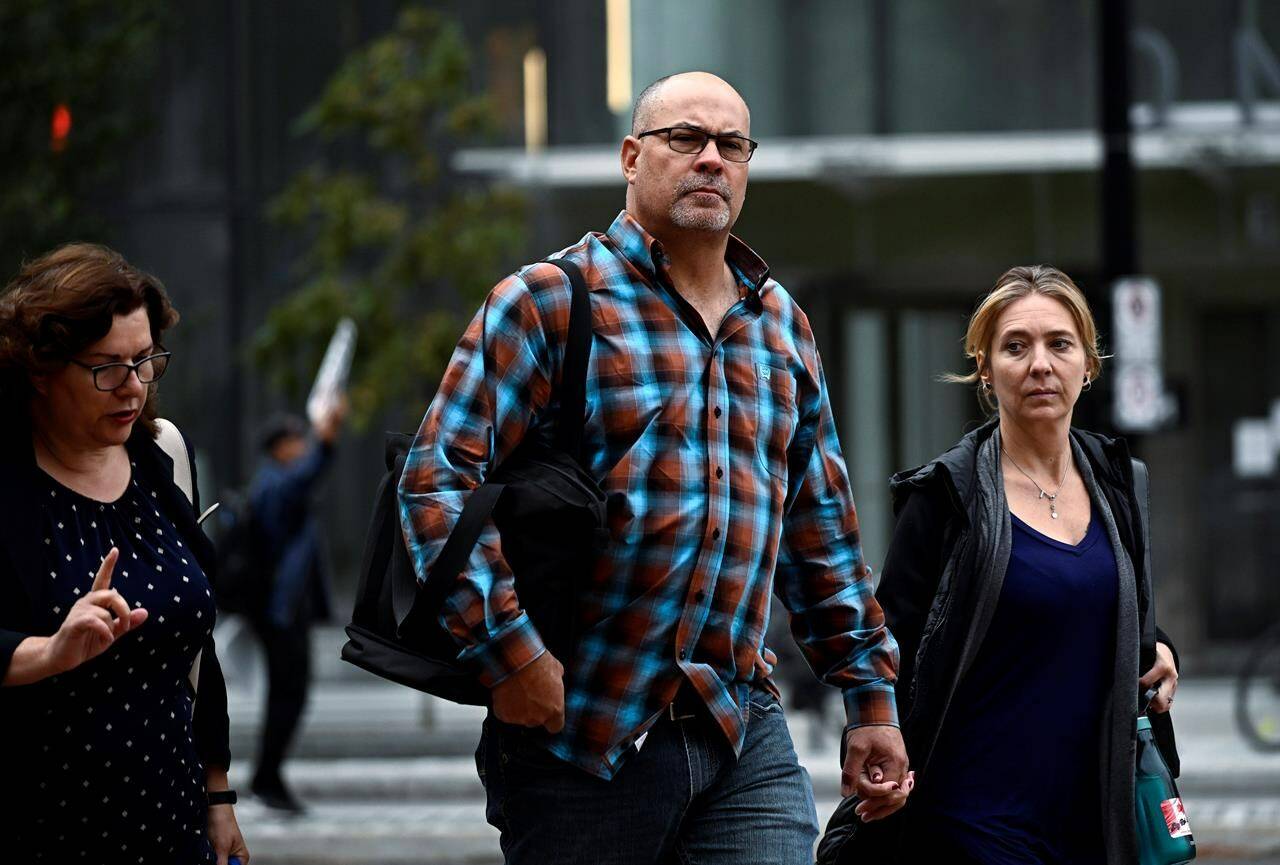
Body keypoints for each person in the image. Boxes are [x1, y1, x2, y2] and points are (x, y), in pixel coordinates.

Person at [399, 71, 909, 865]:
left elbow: (822, 535)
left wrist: (870, 698)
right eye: (686, 139)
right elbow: (437, 482)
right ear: (632, 157)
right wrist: (513, 654)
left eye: (731, 145)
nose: (711, 158)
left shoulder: (781, 327)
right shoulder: (548, 300)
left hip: (741, 725)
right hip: (581, 733)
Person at [817, 265, 1181, 865]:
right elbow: (894, 646)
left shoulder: (1120, 483)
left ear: (1087, 365)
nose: (1040, 364)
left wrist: (1161, 649)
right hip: (972, 820)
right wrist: (877, 750)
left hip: (1092, 815)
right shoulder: (946, 494)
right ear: (986, 369)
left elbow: (1114, 609)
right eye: (1016, 346)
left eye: (1059, 344)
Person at [0, 243, 250, 864]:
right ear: (41, 367)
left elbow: (198, 647)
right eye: (107, 367)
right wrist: (47, 653)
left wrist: (218, 796)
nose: (133, 387)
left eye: (145, 361)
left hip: (170, 823)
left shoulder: (163, 453)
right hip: (37, 826)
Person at [245, 402, 345, 812]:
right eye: (296, 441)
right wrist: (324, 440)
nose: (301, 447)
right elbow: (305, 478)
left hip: (286, 610)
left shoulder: (276, 482)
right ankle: (266, 778)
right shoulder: (274, 484)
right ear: (279, 447)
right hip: (279, 612)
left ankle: (268, 776)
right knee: (287, 694)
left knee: (291, 693)